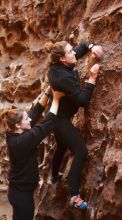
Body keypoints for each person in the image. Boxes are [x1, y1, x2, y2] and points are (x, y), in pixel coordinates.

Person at [46, 40, 104, 209]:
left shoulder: (62, 63)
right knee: (81, 151)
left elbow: (83, 45)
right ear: (63, 59)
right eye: (70, 52)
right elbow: (83, 100)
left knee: (62, 145)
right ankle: (74, 196)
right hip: (59, 119)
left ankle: (54, 176)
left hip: (55, 113)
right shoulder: (62, 77)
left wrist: (93, 47)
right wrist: (92, 79)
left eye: (72, 50)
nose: (74, 53)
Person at [0, 86, 64, 220]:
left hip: (17, 192)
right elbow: (47, 124)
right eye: (26, 119)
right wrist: (56, 99)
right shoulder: (22, 141)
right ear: (18, 125)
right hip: (22, 196)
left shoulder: (13, 133)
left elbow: (35, 112)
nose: (29, 120)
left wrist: (48, 91)